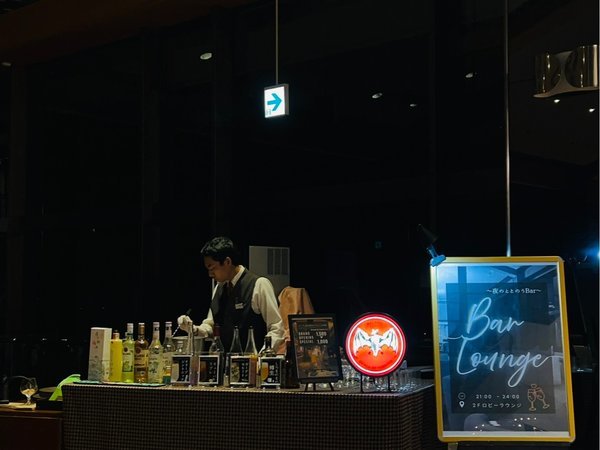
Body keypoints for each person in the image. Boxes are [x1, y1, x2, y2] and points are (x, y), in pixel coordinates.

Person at [178, 236, 285, 353]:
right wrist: (193, 329)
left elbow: (277, 328)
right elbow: (211, 327)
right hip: (224, 361)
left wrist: (264, 355)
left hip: (252, 361)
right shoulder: (219, 288)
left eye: (212, 268)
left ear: (227, 262)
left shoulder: (259, 284)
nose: (210, 274)